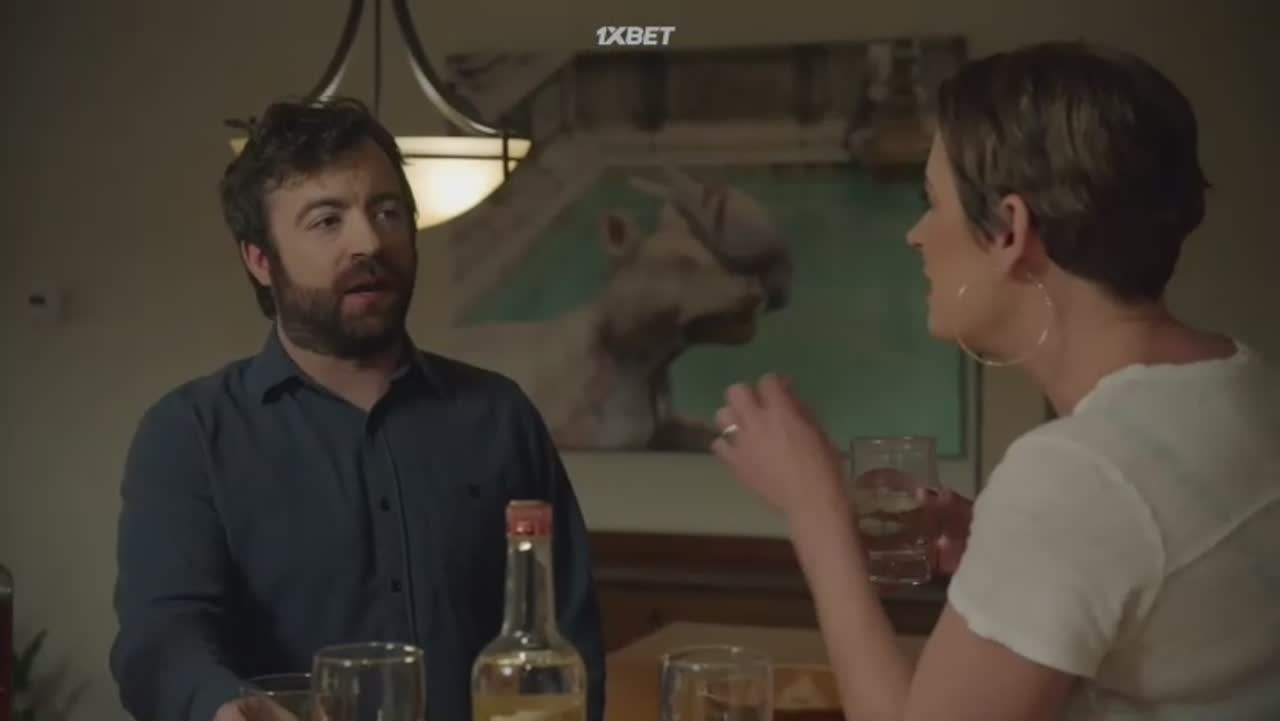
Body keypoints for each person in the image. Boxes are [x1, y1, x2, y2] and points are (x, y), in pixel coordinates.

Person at [711, 41, 1280, 720]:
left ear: (1010, 229)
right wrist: (1005, 542)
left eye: (932, 202)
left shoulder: (1077, 474)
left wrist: (815, 512)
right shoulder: (1244, 384)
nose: (915, 235)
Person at [108, 97, 606, 721]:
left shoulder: (500, 417)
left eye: (387, 212)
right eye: (327, 221)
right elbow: (160, 638)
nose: (369, 241)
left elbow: (570, 634)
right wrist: (223, 707)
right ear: (260, 260)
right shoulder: (190, 435)